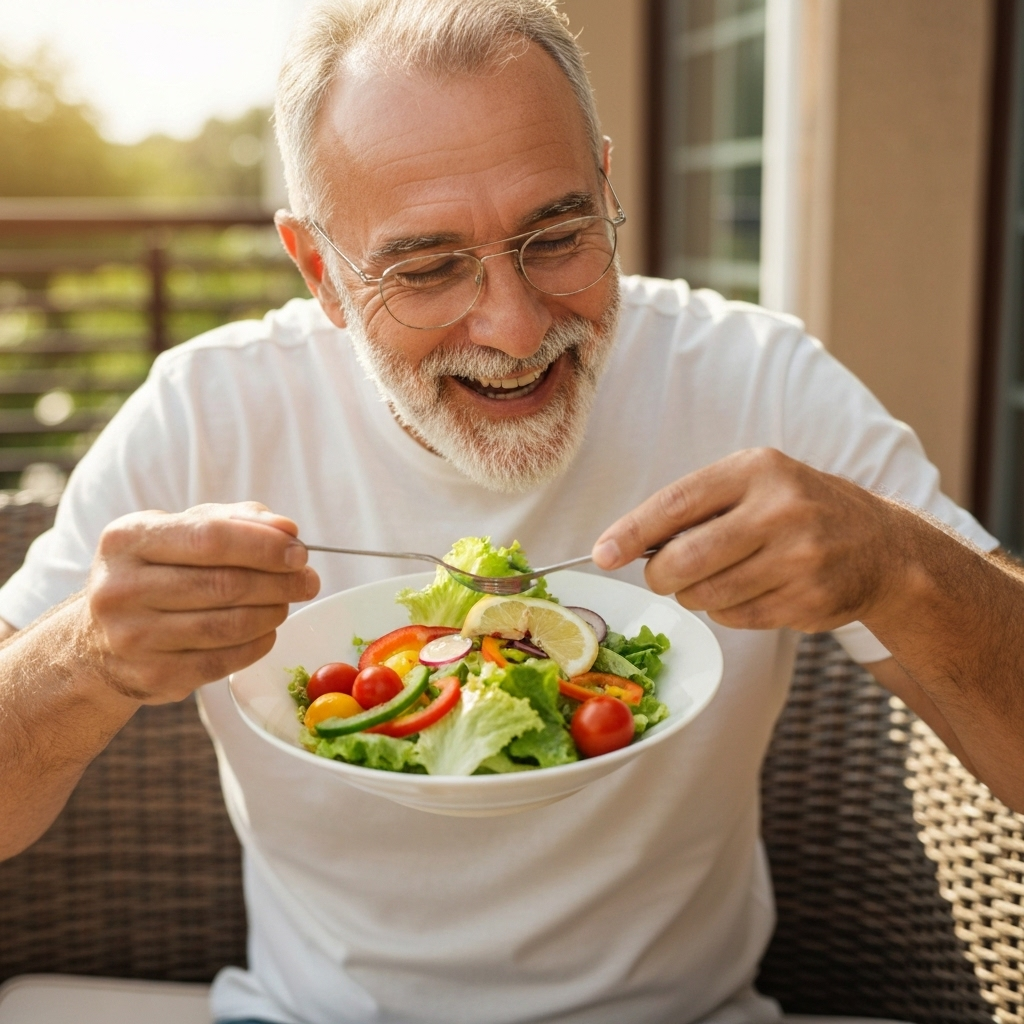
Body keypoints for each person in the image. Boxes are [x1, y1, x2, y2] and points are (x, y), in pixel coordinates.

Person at [0, 1, 1022, 1022]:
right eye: (428, 267)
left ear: (608, 190)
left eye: (556, 234)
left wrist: (902, 567)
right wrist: (83, 655)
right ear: (320, 271)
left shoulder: (758, 381)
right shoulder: (206, 413)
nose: (515, 325)